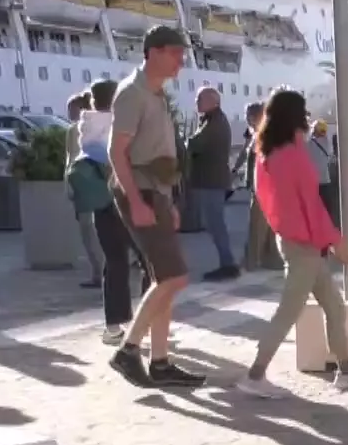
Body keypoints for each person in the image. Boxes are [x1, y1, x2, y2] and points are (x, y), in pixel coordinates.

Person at [234, 89, 348, 397]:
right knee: (289, 312)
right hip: (304, 245)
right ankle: (255, 375)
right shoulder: (293, 153)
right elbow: (311, 204)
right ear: (295, 116)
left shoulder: (265, 153)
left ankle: (346, 370)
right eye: (303, 111)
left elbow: (276, 202)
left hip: (293, 240)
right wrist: (335, 241)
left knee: (334, 306)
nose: (307, 116)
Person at [107, 26, 204, 388]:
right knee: (173, 277)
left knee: (162, 279)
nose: (182, 60)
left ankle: (160, 362)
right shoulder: (132, 94)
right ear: (153, 52)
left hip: (154, 193)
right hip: (141, 193)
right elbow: (117, 153)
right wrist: (137, 201)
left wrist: (166, 200)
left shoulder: (156, 93)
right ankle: (128, 350)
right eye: (176, 52)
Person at [71, 78, 138, 345]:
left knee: (114, 261)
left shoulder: (83, 126)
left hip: (101, 200)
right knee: (148, 261)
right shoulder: (120, 123)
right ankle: (149, 322)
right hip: (126, 197)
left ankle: (113, 326)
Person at [186, 86, 238, 282]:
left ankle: (228, 264)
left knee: (216, 224)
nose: (196, 103)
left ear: (213, 102)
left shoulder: (214, 122)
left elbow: (194, 144)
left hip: (212, 181)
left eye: (200, 99)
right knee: (214, 224)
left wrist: (185, 142)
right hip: (210, 180)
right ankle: (227, 263)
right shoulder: (212, 120)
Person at [65, 92, 105, 291]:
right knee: (95, 231)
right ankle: (101, 271)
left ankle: (99, 273)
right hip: (98, 185)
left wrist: (69, 187)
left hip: (83, 185)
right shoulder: (100, 128)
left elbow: (70, 161)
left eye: (72, 109)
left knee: (89, 232)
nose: (69, 113)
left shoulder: (75, 131)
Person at [235, 101, 280, 271]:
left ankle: (251, 261)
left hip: (263, 188)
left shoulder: (263, 135)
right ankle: (272, 260)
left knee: (257, 226)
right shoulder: (260, 134)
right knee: (269, 227)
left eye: (249, 116)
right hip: (269, 187)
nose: (247, 119)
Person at [307, 119, 336, 224]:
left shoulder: (309, 144)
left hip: (313, 184)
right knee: (327, 212)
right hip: (326, 182)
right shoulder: (328, 144)